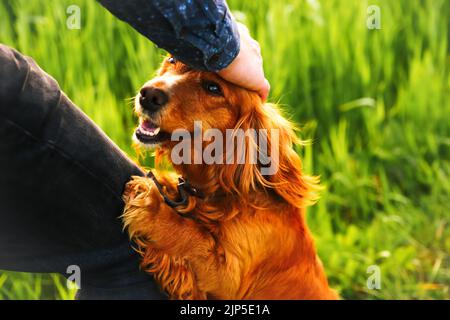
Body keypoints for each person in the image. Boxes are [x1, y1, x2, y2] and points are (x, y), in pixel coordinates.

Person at [0, 0, 268, 299]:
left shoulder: (264, 208)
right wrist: (223, 45)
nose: (158, 86)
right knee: (132, 246)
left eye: (212, 89)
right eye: (174, 62)